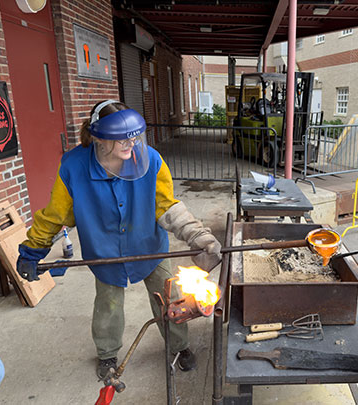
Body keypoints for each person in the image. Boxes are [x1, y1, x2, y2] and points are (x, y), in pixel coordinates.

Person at [16, 100, 221, 379]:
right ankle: (107, 354)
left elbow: (167, 206)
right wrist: (32, 250)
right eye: (122, 139)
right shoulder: (74, 167)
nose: (131, 144)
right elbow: (55, 214)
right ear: (99, 138)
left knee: (169, 297)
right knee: (108, 303)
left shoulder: (150, 160)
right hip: (104, 251)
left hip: (148, 246)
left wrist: (197, 235)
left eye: (135, 136)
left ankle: (179, 346)